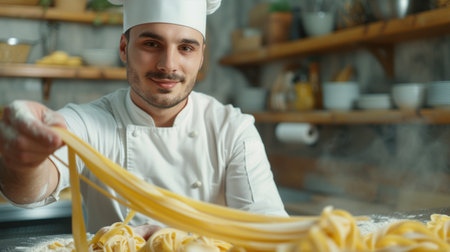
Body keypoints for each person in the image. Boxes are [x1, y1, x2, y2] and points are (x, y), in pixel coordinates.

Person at [0, 0, 288, 240]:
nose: (168, 65)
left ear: (202, 56)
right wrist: (25, 161)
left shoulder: (232, 130)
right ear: (124, 48)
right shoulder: (88, 122)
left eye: (186, 48)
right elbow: (27, 193)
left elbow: (267, 229)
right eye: (152, 44)